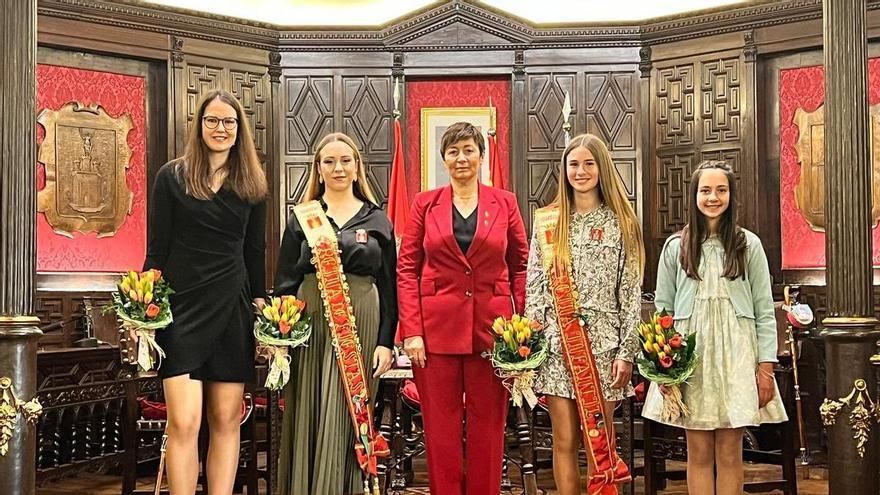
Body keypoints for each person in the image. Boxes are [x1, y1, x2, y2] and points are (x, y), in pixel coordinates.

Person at [143, 89, 268, 494]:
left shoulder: (253, 184)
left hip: (232, 307)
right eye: (212, 120)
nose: (220, 128)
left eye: (229, 122)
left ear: (239, 130)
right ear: (199, 125)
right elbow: (157, 250)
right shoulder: (171, 177)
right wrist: (143, 310)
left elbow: (255, 253)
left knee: (226, 418)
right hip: (180, 309)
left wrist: (261, 309)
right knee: (183, 421)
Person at [397, 121, 529, 495]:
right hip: (434, 336)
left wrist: (521, 329)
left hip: (496, 332)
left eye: (469, 150)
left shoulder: (505, 203)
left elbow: (521, 265)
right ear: (444, 158)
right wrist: (412, 331)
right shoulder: (425, 204)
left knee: (489, 428)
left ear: (482, 156)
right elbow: (406, 268)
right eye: (453, 152)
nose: (461, 158)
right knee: (440, 431)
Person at [642, 160, 787, 495]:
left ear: (731, 195)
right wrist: (665, 371)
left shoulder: (747, 245)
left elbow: (765, 311)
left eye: (721, 190)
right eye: (705, 190)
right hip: (692, 359)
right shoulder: (675, 247)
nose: (713, 197)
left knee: (729, 452)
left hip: (736, 356)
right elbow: (662, 312)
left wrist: (765, 368)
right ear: (694, 195)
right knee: (699, 452)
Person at [274, 132, 397, 495]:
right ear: (319, 169)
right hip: (310, 322)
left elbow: (390, 287)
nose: (338, 167)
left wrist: (385, 342)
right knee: (310, 410)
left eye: (345, 160)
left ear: (357, 168)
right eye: (329, 161)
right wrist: (280, 336)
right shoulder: (303, 217)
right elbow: (284, 282)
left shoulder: (378, 220)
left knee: (350, 410)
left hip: (363, 320)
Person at [525, 133, 643, 494]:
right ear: (564, 170)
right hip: (559, 346)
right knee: (563, 439)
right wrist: (532, 342)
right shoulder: (548, 222)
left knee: (600, 440)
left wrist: (627, 352)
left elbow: (630, 290)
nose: (580, 171)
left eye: (588, 164)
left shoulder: (621, 220)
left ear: (601, 168)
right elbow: (534, 285)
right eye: (573, 164)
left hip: (605, 346)